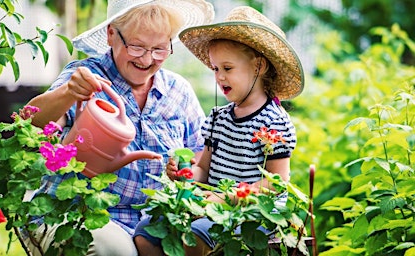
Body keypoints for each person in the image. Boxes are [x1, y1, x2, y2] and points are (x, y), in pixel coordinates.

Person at [23, 0, 215, 255]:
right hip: (81, 214)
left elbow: (200, 157)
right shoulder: (86, 77)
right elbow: (30, 125)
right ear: (112, 34)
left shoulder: (178, 92)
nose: (147, 59)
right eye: (137, 47)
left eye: (159, 49)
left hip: (151, 224)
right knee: (115, 251)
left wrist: (187, 173)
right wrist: (69, 92)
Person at [133, 6, 305, 255]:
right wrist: (185, 174)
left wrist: (229, 198)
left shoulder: (274, 123)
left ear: (259, 66)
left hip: (252, 214)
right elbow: (204, 168)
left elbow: (275, 183)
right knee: (147, 230)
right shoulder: (218, 118)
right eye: (215, 69)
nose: (219, 77)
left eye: (227, 68)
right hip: (212, 208)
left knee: (195, 236)